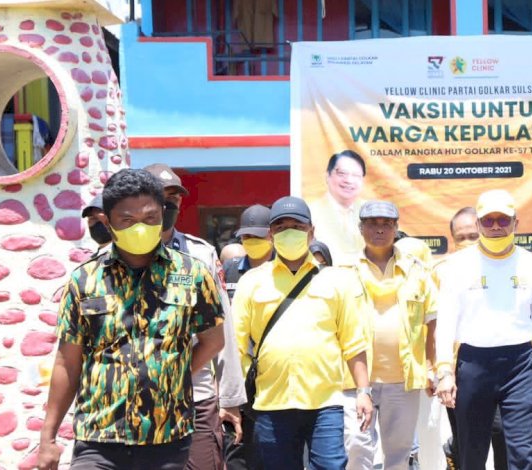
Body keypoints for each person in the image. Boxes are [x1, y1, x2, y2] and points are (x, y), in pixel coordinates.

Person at [37, 169, 226, 470]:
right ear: (109, 223)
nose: (141, 227)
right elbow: (67, 363)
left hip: (167, 440)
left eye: (150, 217)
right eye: (128, 220)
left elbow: (214, 340)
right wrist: (47, 439)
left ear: (163, 215)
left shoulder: (193, 275)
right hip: (98, 440)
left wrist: (171, 374)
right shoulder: (84, 280)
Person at [231, 196, 373, 469]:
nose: (289, 232)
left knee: (331, 466)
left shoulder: (337, 280)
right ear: (271, 235)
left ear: (311, 231)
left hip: (325, 403)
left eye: (296, 225)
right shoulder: (252, 281)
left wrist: (364, 392)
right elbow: (236, 345)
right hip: (271, 403)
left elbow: (354, 343)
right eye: (281, 227)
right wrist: (234, 399)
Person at [434, 189, 532, 470]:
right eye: (488, 220)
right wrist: (444, 372)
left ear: (516, 223)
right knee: (471, 451)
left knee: (523, 452)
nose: (495, 227)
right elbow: (445, 323)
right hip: (472, 364)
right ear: (478, 224)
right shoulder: (457, 265)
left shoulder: (531, 264)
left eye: (502, 220)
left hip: (518, 365)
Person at [144, 163, 247, 470]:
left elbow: (222, 328)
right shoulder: (119, 256)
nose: (169, 203)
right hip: (139, 392)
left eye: (175, 196)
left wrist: (229, 398)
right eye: (161, 195)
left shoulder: (200, 254)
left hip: (195, 391)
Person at [341, 201, 438, 470]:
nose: (380, 229)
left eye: (387, 224)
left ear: (396, 228)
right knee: (356, 447)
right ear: (361, 228)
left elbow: (432, 322)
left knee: (399, 455)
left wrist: (433, 368)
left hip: (403, 379)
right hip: (354, 378)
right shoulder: (343, 270)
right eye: (372, 223)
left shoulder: (417, 270)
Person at [434, 206, 509, 470]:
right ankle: (455, 451)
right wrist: (439, 371)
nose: (467, 243)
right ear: (452, 239)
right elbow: (434, 324)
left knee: (502, 433)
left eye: (472, 236)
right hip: (459, 372)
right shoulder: (442, 272)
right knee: (470, 441)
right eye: (461, 237)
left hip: (503, 366)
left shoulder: (506, 267)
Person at [218, 203, 273, 470]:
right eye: (247, 237)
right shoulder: (227, 271)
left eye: (259, 237)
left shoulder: (284, 271)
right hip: (236, 378)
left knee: (270, 452)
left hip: (271, 378)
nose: (252, 242)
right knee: (235, 450)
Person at [309, 150, 367, 265]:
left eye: (356, 175)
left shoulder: (370, 212)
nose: (349, 180)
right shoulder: (311, 212)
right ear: (327, 176)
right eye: (342, 173)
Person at [223, 204, 274, 300]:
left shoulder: (285, 269)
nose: (252, 240)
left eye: (258, 236)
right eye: (247, 236)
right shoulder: (229, 269)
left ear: (272, 235)